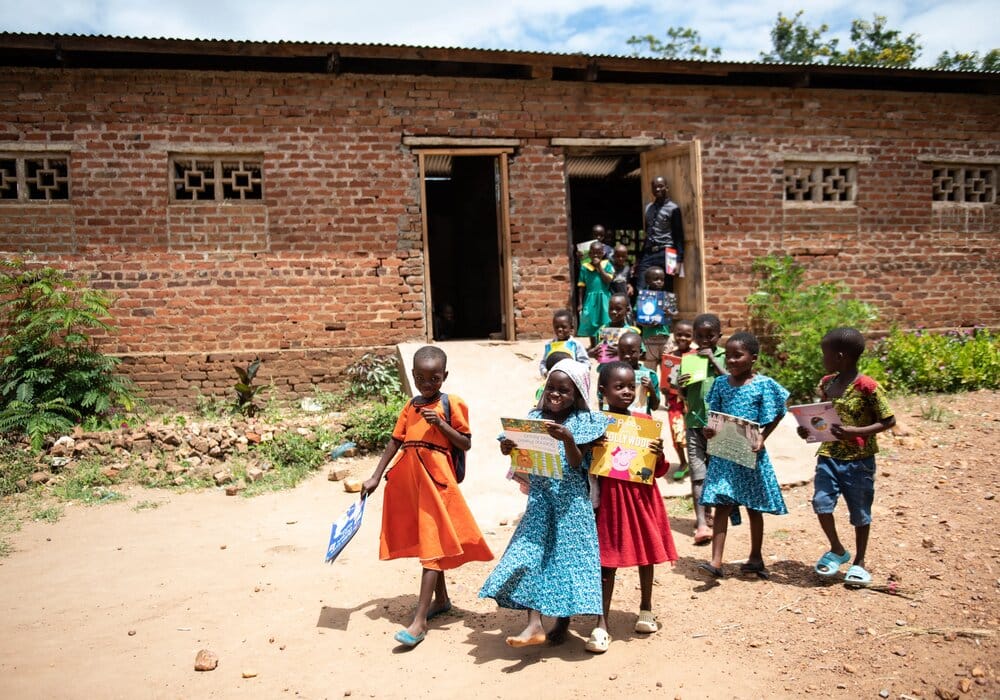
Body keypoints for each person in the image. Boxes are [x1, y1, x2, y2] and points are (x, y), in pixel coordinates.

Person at [361, 346, 493, 647]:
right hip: (412, 481)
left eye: (433, 378)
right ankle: (442, 600)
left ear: (444, 376)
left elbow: (466, 442)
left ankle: (419, 622)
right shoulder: (410, 406)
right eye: (420, 378)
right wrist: (376, 476)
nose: (426, 384)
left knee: (433, 545)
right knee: (428, 540)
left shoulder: (452, 403)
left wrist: (441, 424)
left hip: (438, 482)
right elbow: (396, 441)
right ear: (413, 376)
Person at [480, 359, 608, 651]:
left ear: (577, 395)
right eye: (551, 387)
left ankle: (561, 622)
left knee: (564, 561)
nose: (555, 394)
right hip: (540, 501)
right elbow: (516, 450)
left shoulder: (584, 422)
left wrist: (568, 440)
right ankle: (534, 622)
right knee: (530, 555)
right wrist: (507, 448)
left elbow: (577, 464)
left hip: (571, 505)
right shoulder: (534, 417)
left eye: (564, 390)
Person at [801, 328, 895, 585]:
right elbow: (822, 417)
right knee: (821, 504)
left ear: (840, 356)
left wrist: (857, 432)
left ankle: (860, 562)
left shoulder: (868, 387)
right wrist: (807, 428)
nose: (823, 359)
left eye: (825, 354)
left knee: (860, 513)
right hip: (829, 456)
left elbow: (888, 420)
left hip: (859, 461)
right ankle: (838, 550)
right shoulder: (828, 383)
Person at [594, 361, 678, 641]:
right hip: (610, 499)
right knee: (607, 560)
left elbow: (659, 469)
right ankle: (601, 621)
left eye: (631, 386)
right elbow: (585, 463)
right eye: (619, 387)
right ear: (603, 390)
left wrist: (658, 452)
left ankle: (646, 608)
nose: (627, 392)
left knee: (646, 553)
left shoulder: (643, 423)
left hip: (641, 496)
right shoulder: (596, 424)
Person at [697, 332, 789, 580]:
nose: (732, 360)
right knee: (723, 503)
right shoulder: (720, 384)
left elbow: (780, 411)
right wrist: (709, 431)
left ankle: (756, 557)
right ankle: (716, 562)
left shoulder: (763, 385)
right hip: (725, 454)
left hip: (750, 453)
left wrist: (762, 436)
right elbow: (714, 417)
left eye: (738, 355)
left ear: (753, 358)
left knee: (754, 506)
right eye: (728, 356)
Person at [677, 313, 727, 545]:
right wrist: (681, 386)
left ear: (719, 336)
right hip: (695, 423)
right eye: (700, 336)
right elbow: (685, 394)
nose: (705, 340)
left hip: (721, 426)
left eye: (710, 336)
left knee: (718, 473)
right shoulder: (689, 359)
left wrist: (714, 362)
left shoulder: (727, 356)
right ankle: (701, 523)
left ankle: (716, 514)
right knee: (698, 475)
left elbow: (732, 382)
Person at [635, 176, 684, 292]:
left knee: (667, 286)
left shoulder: (674, 208)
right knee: (641, 286)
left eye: (660, 186)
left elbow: (679, 236)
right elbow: (647, 234)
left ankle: (666, 310)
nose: (657, 189)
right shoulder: (648, 208)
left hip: (668, 251)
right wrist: (639, 258)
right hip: (649, 252)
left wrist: (679, 260)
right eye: (655, 187)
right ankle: (644, 310)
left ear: (666, 188)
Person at [662, 319, 695, 480]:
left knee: (693, 432)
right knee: (677, 432)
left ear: (693, 337)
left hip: (693, 401)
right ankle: (683, 462)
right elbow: (665, 383)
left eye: (687, 335)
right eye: (679, 335)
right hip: (674, 402)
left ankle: (695, 461)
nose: (682, 338)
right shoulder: (669, 357)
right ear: (674, 335)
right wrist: (664, 389)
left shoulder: (696, 356)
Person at [634, 265, 677, 372]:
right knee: (649, 367)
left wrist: (669, 312)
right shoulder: (642, 298)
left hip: (665, 337)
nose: (659, 282)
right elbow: (637, 318)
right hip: (649, 338)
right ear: (647, 281)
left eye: (662, 279)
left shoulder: (667, 296)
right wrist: (646, 324)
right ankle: (650, 388)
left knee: (668, 366)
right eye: (656, 279)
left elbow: (675, 312)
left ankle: (666, 388)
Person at [589, 293, 641, 367]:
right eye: (611, 308)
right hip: (605, 370)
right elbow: (597, 350)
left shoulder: (632, 332)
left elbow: (642, 354)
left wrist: (621, 352)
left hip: (625, 371)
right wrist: (594, 353)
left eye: (618, 309)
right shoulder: (602, 330)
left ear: (627, 310)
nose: (613, 312)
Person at [577, 241, 614, 342]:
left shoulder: (607, 265)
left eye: (598, 253)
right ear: (589, 254)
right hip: (590, 298)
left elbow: (608, 280)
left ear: (603, 254)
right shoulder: (585, 267)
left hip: (604, 298)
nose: (596, 255)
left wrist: (599, 267)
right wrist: (580, 303)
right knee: (591, 321)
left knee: (606, 320)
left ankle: (606, 345)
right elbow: (581, 286)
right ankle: (593, 345)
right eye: (593, 253)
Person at [616, 332, 660, 416]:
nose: (626, 356)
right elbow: (603, 403)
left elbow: (654, 407)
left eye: (632, 352)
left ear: (640, 352)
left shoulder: (650, 375)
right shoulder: (610, 373)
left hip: (641, 423)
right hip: (617, 422)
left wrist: (651, 389)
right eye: (622, 351)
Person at [538, 308, 590, 376]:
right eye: (556, 327)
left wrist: (575, 373)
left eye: (563, 327)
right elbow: (543, 363)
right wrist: (545, 372)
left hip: (571, 381)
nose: (559, 329)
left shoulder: (575, 345)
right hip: (553, 380)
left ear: (571, 328)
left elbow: (586, 364)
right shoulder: (550, 345)